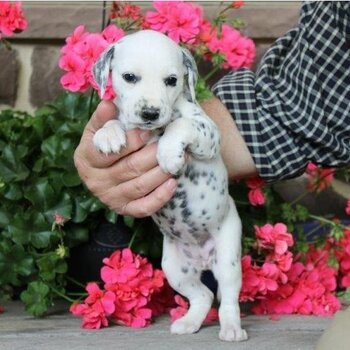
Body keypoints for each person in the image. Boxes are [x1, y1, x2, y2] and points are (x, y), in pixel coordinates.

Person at [74, 2, 349, 349]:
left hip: (218, 223)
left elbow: (209, 141)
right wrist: (107, 134)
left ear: (186, 76)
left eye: (169, 81)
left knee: (228, 269)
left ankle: (229, 311)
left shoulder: (187, 115)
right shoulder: (123, 114)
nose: (150, 102)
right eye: (131, 78)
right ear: (107, 73)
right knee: (175, 273)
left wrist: (178, 134)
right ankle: (199, 301)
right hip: (177, 237)